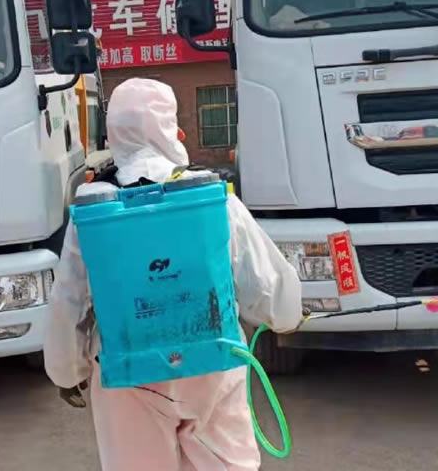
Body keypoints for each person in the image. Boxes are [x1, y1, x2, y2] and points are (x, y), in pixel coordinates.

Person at [44, 78, 303, 471]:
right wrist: (287, 316)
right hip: (214, 362)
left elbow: (69, 301)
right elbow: (268, 287)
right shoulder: (212, 197)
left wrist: (67, 372)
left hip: (128, 372)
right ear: (172, 130)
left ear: (113, 134)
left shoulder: (95, 211)